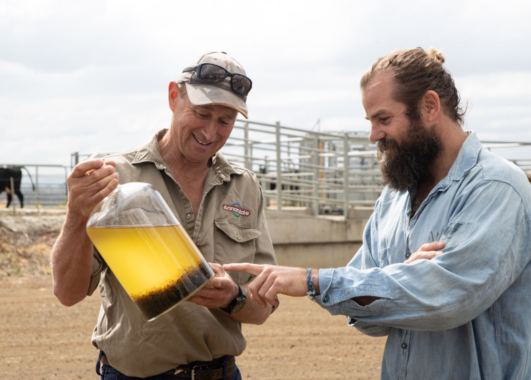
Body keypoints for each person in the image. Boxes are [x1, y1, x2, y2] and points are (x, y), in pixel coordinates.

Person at [225, 47, 531, 379]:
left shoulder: (497, 187)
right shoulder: (393, 198)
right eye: (371, 121)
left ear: (429, 106)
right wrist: (403, 279)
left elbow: (448, 299)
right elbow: (371, 318)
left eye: (384, 119)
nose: (374, 135)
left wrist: (313, 280)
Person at [51, 51, 277, 379]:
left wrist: (233, 296)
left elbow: (262, 309)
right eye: (201, 113)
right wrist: (76, 215)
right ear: (174, 96)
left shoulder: (244, 187)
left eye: (225, 121)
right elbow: (67, 294)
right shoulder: (115, 177)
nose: (211, 132)